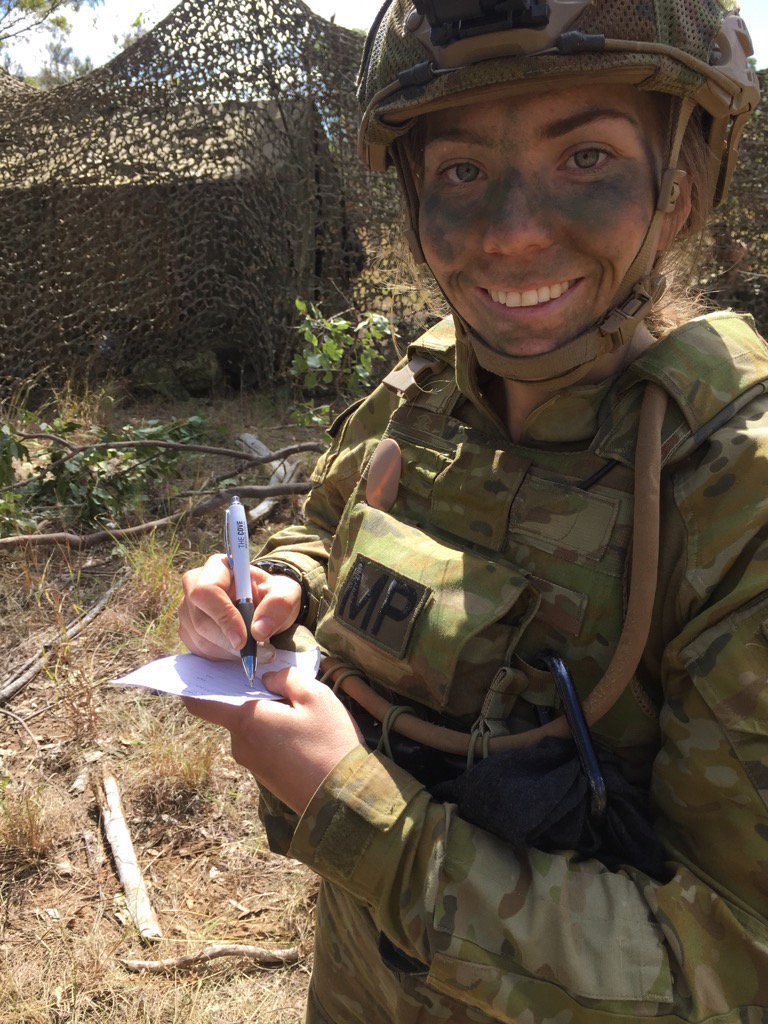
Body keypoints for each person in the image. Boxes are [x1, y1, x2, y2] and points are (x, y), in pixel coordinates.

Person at [178, 1, 768, 1020]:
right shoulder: (426, 386)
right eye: (459, 172)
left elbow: (729, 966)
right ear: (414, 201)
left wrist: (354, 811)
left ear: (682, 187)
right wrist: (282, 586)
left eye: (586, 156)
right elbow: (325, 519)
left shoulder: (734, 490)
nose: (510, 233)